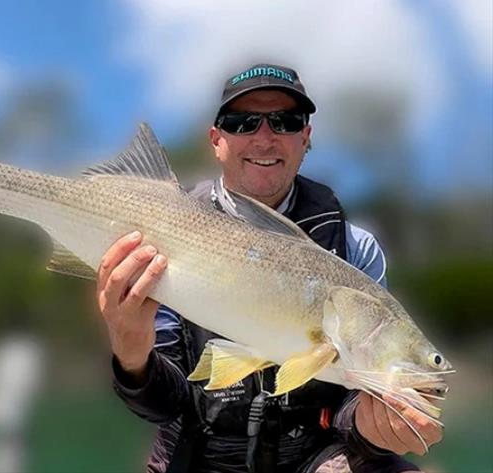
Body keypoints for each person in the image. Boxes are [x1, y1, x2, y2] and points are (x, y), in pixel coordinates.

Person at [95, 64, 443, 473]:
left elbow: (352, 408)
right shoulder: (157, 236)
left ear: (305, 138)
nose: (264, 137)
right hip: (195, 456)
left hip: (316, 458)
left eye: (285, 121)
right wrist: (131, 356)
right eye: (243, 122)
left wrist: (372, 428)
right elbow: (163, 404)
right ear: (216, 140)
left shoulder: (355, 249)